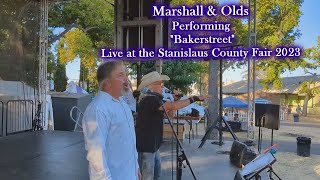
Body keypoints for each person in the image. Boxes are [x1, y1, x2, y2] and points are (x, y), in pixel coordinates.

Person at [135, 71, 208, 180]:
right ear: (150, 86)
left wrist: (175, 99)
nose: (162, 86)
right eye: (159, 84)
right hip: (146, 147)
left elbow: (169, 115)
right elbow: (172, 106)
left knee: (157, 175)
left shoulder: (156, 99)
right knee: (147, 177)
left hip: (154, 145)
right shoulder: (149, 99)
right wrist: (194, 98)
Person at [82, 61, 140, 180]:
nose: (126, 80)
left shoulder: (123, 104)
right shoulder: (98, 109)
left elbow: (129, 142)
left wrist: (136, 168)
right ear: (107, 82)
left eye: (126, 75)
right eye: (120, 75)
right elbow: (96, 154)